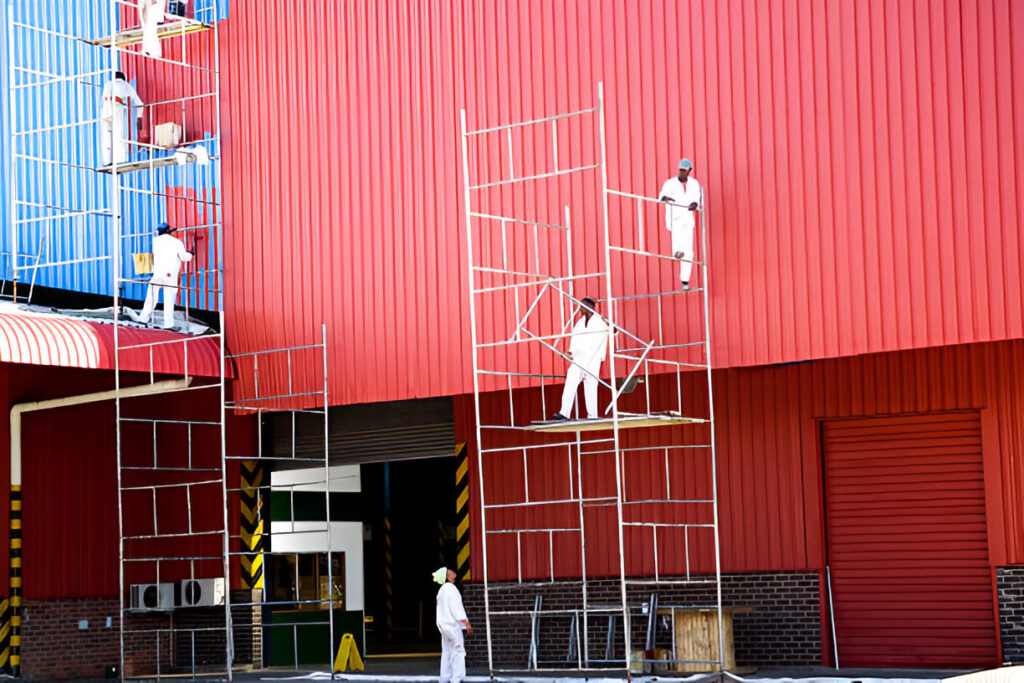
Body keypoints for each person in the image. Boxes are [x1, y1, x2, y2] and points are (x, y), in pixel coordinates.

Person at [552, 297, 610, 421]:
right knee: (570, 382)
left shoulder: (599, 321)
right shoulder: (579, 323)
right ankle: (564, 413)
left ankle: (592, 416)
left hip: (593, 358)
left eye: (582, 306)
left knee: (590, 386)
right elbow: (575, 340)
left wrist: (609, 324)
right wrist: (569, 353)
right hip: (579, 359)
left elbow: (613, 331)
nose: (580, 308)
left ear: (590, 307)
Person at [138, 223, 194, 329]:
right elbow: (183, 257)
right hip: (170, 275)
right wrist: (191, 254)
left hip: (157, 273)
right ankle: (168, 325)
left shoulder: (156, 241)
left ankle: (143, 319)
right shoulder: (176, 242)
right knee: (169, 300)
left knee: (151, 298)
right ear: (169, 231)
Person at [659, 158, 703, 290]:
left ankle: (685, 280)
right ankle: (676, 253)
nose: (682, 173)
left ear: (689, 171)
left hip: (688, 217)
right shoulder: (671, 183)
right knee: (678, 243)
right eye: (681, 170)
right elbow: (662, 196)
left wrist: (695, 204)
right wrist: (667, 198)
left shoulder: (694, 184)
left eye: (685, 171)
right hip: (676, 215)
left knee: (689, 250)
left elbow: (696, 198)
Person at [434, 566, 471, 683]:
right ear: (447, 577)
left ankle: (444, 677)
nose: (453, 572)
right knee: (458, 651)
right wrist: (466, 623)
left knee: (447, 652)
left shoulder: (441, 591)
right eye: (449, 572)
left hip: (444, 627)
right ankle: (456, 678)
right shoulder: (452, 589)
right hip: (453, 626)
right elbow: (457, 609)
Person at [100, 71, 144, 167]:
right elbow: (139, 103)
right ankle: (120, 159)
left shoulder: (108, 84)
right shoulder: (125, 85)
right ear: (123, 78)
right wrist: (139, 117)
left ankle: (107, 160)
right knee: (118, 134)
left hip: (106, 111)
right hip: (117, 109)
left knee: (107, 135)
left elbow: (104, 99)